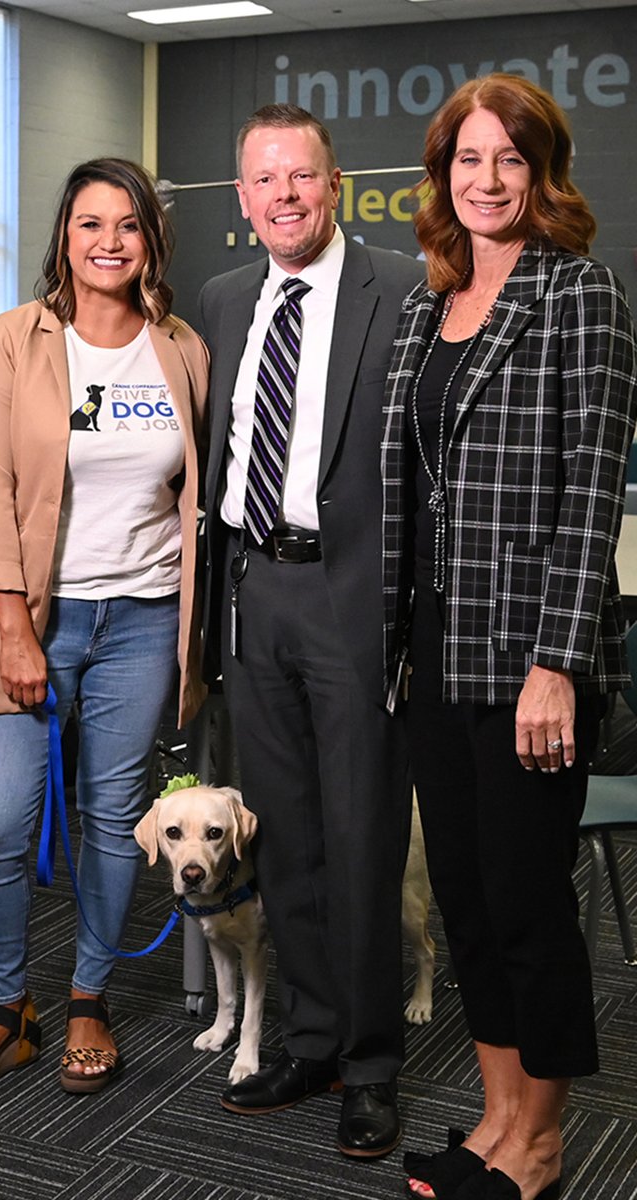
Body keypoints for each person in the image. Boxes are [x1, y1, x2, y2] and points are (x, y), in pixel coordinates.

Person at [384, 75, 637, 1200]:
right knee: (468, 898)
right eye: (467, 158)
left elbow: (591, 497)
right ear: (442, 174)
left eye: (510, 159)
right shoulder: (426, 306)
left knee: (530, 903)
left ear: (543, 173)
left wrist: (557, 664)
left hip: (530, 655)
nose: (486, 180)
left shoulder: (581, 294)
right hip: (434, 651)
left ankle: (541, 1143)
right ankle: (494, 1119)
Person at [0, 158, 208, 1096]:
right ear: (64, 236)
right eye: (90, 223)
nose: (109, 242)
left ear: (152, 241)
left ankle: (89, 996)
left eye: (128, 224)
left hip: (144, 617)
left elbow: (194, 487)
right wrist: (13, 629)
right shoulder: (12, 342)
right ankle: (7, 1005)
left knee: (111, 819)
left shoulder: (180, 347)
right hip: (31, 618)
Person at [199, 104, 423, 1157]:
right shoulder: (223, 299)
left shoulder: (404, 289)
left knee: (362, 835)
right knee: (282, 836)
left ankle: (371, 1064)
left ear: (335, 186)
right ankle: (315, 1037)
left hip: (353, 595)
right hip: (257, 595)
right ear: (244, 198)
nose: (283, 196)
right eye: (264, 180)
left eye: (301, 177)